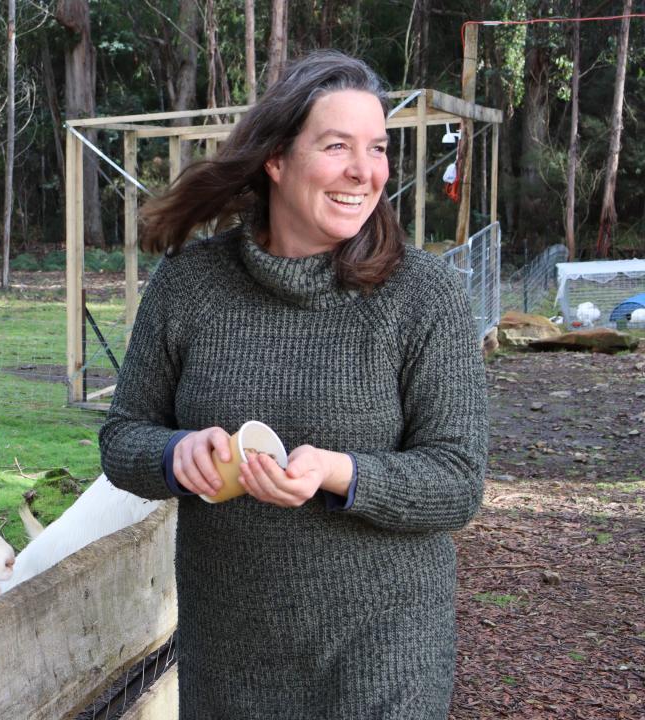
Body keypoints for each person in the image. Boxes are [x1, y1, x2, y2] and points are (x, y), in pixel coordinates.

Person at [98, 50, 487, 719]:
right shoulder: (190, 286)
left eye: (377, 149)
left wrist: (341, 472)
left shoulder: (425, 296)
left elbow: (457, 480)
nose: (365, 172)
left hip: (385, 653)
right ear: (276, 160)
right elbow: (121, 437)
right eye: (337, 146)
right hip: (232, 657)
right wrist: (173, 454)